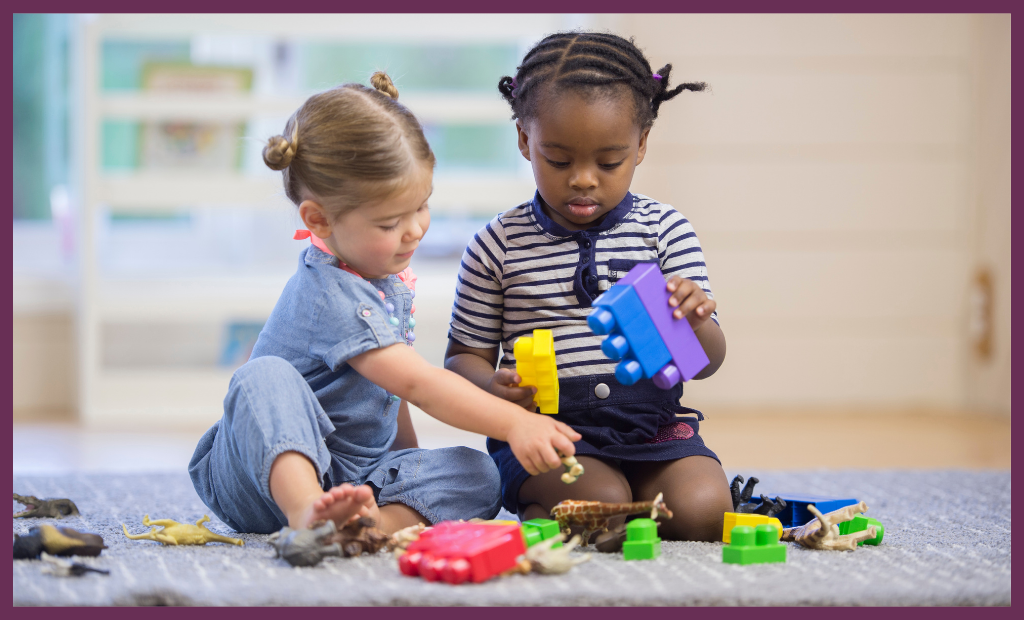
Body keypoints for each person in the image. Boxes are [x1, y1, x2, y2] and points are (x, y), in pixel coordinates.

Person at [189, 72, 581, 536]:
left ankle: (369, 525)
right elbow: (419, 383)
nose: (415, 229)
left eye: (422, 206)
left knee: (481, 474)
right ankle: (307, 515)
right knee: (262, 375)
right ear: (320, 219)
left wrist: (407, 469)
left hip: (353, 476)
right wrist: (515, 422)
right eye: (392, 221)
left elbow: (391, 394)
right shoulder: (328, 292)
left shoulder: (383, 280)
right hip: (259, 478)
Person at [444, 33, 734, 542]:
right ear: (523, 141)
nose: (582, 179)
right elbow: (461, 360)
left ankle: (626, 499)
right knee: (602, 508)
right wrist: (495, 389)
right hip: (548, 433)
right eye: (558, 160)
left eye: (608, 162)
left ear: (640, 145)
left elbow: (706, 363)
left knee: (705, 512)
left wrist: (695, 322)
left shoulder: (665, 230)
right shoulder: (498, 244)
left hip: (653, 425)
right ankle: (565, 502)